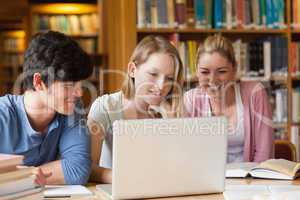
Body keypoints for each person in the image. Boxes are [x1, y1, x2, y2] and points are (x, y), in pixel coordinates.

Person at [0, 31, 93, 185]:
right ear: (39, 81)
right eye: (69, 84)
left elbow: (77, 170)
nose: (80, 92)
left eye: (80, 83)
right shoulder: (3, 114)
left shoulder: (73, 108)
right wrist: (31, 176)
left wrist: (15, 177)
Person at [87, 35, 184, 183]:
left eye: (169, 79)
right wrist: (125, 178)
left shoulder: (168, 111)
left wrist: (172, 123)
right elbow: (87, 168)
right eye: (153, 74)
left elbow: (179, 166)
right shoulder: (106, 107)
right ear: (132, 70)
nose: (160, 86)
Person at [184, 34, 274, 163]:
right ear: (197, 71)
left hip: (251, 179)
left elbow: (264, 153)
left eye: (221, 72)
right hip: (205, 181)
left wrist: (251, 181)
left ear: (234, 69)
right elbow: (184, 155)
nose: (213, 80)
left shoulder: (255, 93)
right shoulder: (190, 100)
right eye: (205, 72)